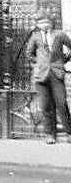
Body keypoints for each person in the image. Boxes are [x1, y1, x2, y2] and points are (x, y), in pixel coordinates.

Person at [26, 12, 71, 144]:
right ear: (37, 24)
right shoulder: (35, 37)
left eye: (45, 21)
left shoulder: (59, 34)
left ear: (50, 22)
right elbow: (29, 53)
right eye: (40, 22)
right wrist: (38, 64)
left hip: (56, 74)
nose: (43, 24)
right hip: (41, 76)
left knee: (62, 104)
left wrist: (63, 60)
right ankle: (50, 134)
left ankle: (69, 131)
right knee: (45, 106)